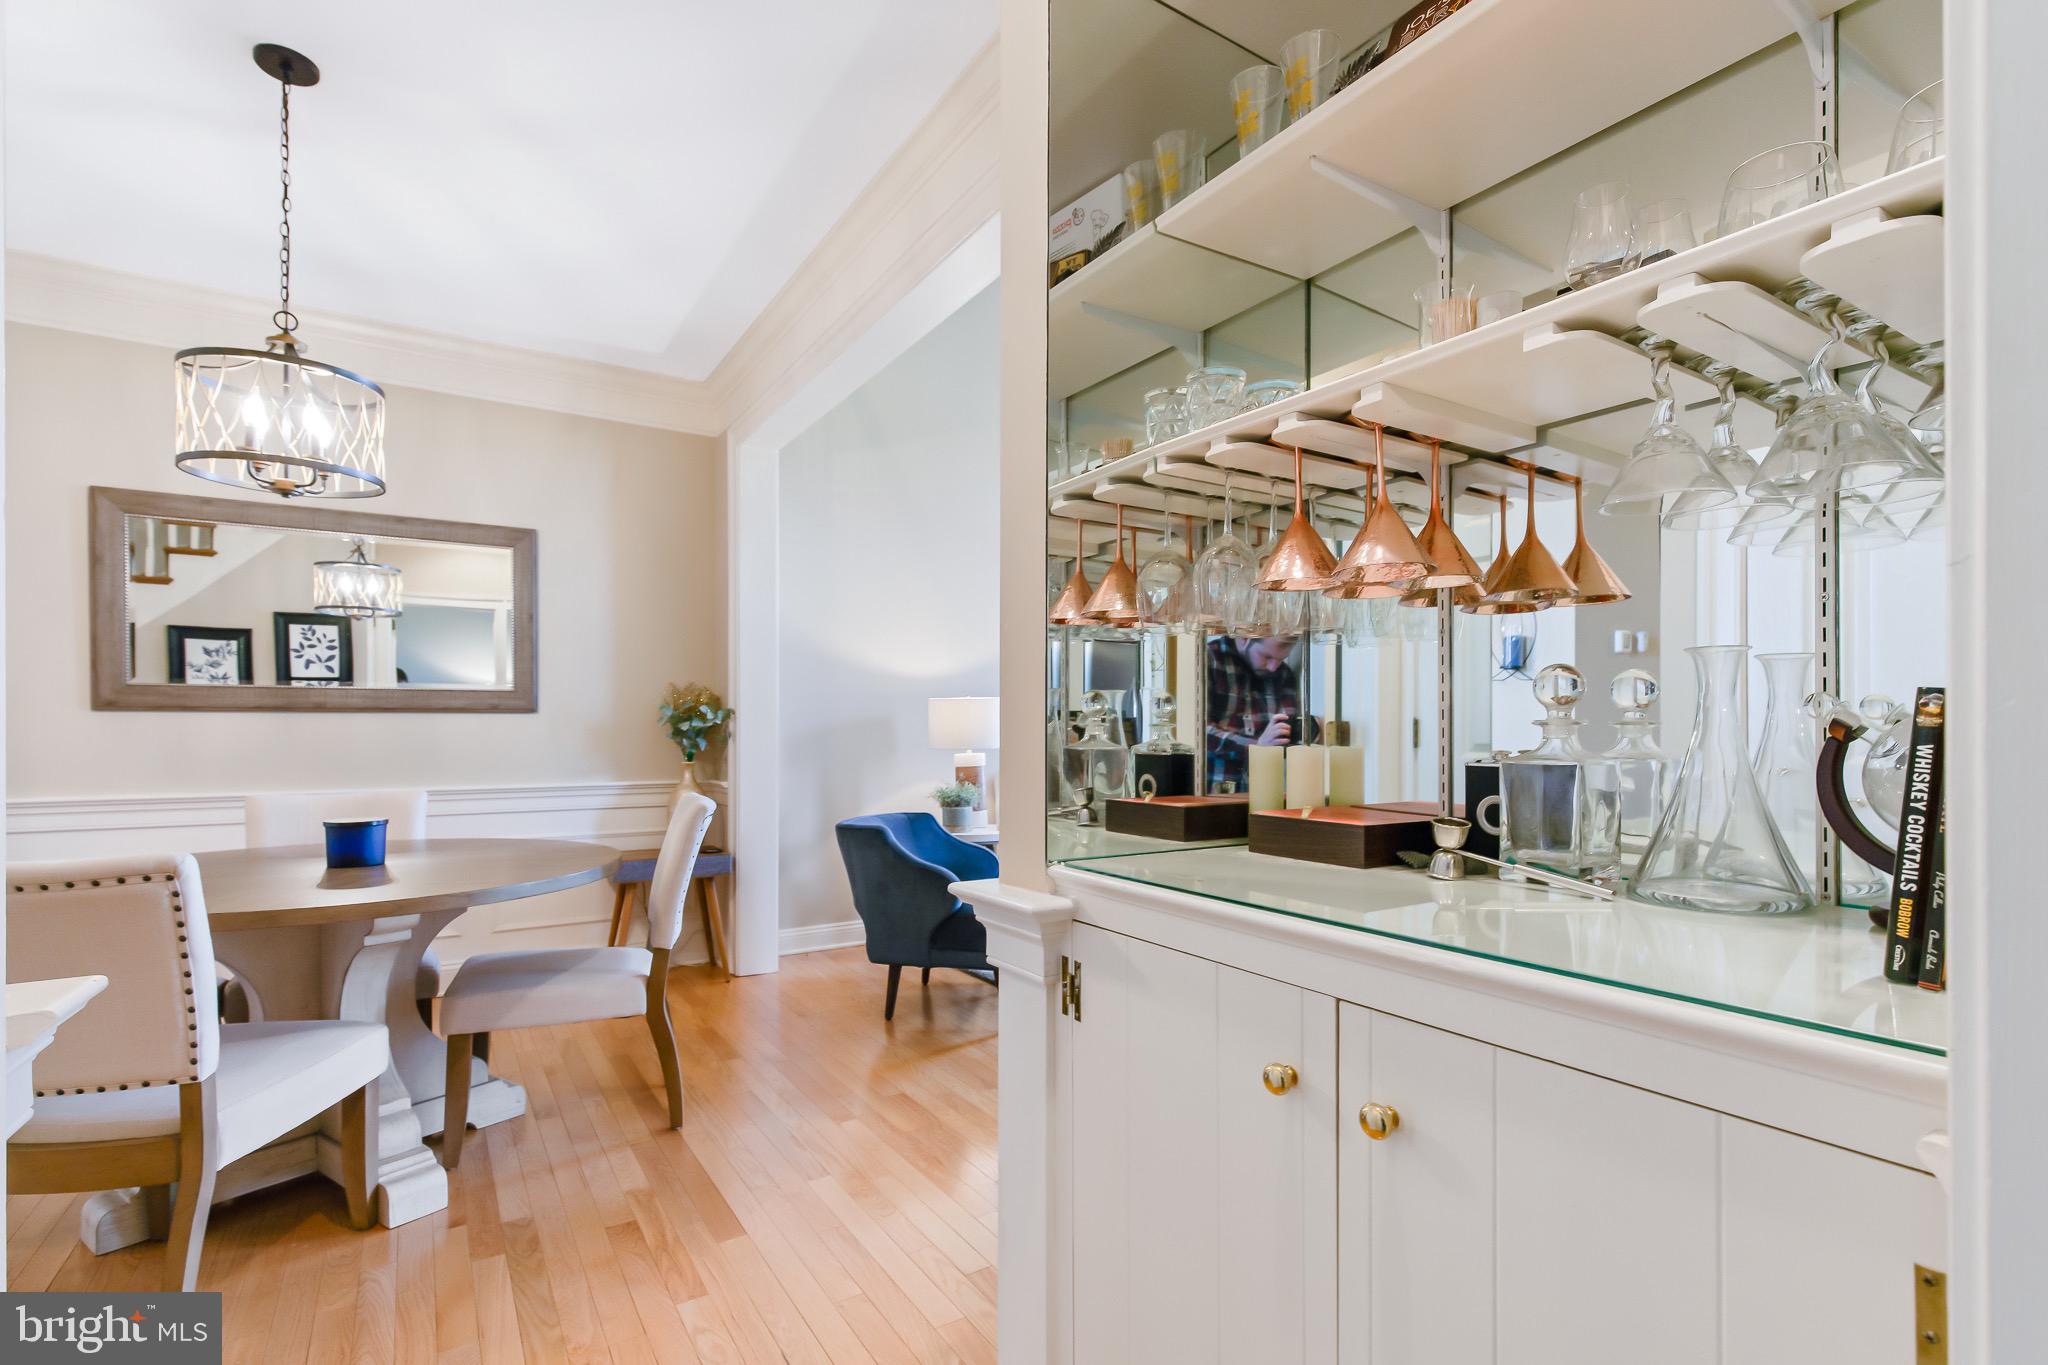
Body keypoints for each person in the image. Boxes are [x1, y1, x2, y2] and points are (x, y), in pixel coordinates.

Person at [1205, 634, 1310, 790]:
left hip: (1266, 793)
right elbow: (1197, 732)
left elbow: (1287, 736)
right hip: (1215, 793)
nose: (1273, 667)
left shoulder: (1284, 674)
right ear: (1244, 638)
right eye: (1267, 657)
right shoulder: (1209, 659)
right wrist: (1257, 748)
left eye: (1281, 659)